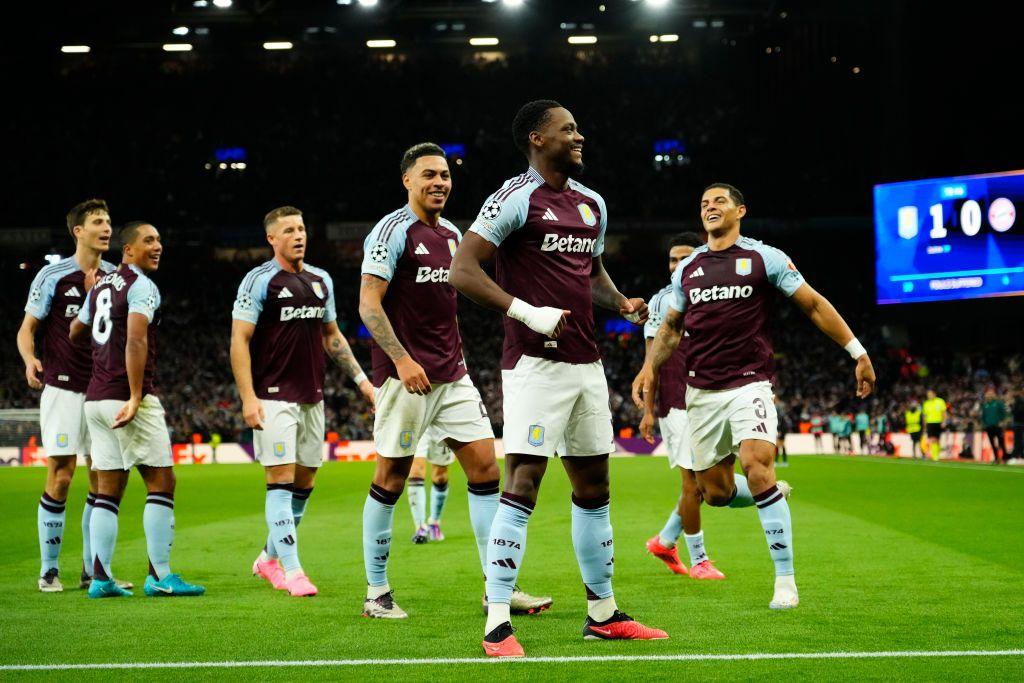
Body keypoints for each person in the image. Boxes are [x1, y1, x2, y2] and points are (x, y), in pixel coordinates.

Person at [450, 101, 667, 657]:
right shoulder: (513, 197)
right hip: (533, 364)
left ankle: (602, 613)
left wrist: (620, 301)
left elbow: (588, 270)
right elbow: (463, 270)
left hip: (586, 363)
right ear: (537, 137)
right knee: (522, 482)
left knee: (594, 488)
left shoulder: (592, 204)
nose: (579, 135)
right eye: (568, 129)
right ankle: (496, 622)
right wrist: (524, 311)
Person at [637, 182, 875, 611]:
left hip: (750, 383)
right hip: (701, 393)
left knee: (756, 464)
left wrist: (856, 351)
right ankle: (768, 492)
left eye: (719, 202)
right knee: (715, 492)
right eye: (704, 203)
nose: (710, 207)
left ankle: (785, 580)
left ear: (740, 210)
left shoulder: (764, 257)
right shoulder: (687, 270)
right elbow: (671, 329)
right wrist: (649, 369)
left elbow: (815, 305)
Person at [359, 142, 551, 620]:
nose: (439, 182)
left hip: (453, 374)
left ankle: (497, 588)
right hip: (404, 377)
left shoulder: (451, 234)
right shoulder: (390, 231)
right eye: (429, 175)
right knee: (392, 477)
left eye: (445, 175)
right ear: (407, 180)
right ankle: (376, 592)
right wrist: (402, 360)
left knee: (487, 468)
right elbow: (368, 304)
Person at [231, 206, 375, 598]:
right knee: (279, 480)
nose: (298, 235)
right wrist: (248, 398)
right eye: (289, 230)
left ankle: (268, 558)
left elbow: (332, 337)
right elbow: (239, 340)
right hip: (273, 396)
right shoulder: (258, 280)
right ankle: (293, 571)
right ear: (271, 239)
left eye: (302, 228)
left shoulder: (320, 280)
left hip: (312, 396)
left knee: (305, 480)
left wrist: (363, 382)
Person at [70, 222, 204, 598]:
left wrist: (93, 298)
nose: (158, 246)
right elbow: (136, 338)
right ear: (127, 250)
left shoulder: (99, 286)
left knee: (107, 490)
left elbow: (75, 333)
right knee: (162, 482)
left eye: (160, 239)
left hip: (95, 398)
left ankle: (100, 578)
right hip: (128, 396)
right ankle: (160, 576)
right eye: (148, 240)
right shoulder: (140, 285)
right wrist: (133, 395)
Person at [17, 199, 121, 592]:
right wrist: (29, 359)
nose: (106, 227)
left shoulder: (117, 276)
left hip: (101, 391)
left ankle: (92, 570)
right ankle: (48, 570)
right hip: (61, 388)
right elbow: (27, 330)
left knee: (101, 480)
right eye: (98, 221)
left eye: (109, 221)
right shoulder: (52, 276)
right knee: (61, 477)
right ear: (78, 231)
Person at [632, 232, 741, 580]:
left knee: (712, 485)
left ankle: (665, 541)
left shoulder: (716, 297)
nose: (676, 266)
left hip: (713, 401)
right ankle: (700, 561)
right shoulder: (662, 302)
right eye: (671, 260)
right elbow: (652, 361)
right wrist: (649, 410)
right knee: (693, 484)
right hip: (677, 404)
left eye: (683, 258)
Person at [405, 428, 452, 543]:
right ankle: (420, 527)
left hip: (440, 423)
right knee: (416, 470)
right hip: (417, 421)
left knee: (440, 477)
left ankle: (434, 522)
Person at [980, 389, 1008, 464]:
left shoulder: (998, 403)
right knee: (992, 443)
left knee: (1001, 442)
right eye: (987, 394)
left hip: (997, 426)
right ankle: (996, 459)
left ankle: (1005, 458)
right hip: (989, 427)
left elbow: (1004, 413)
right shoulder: (985, 405)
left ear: (994, 395)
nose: (989, 395)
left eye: (991, 394)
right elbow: (983, 416)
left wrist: (1002, 422)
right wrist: (984, 424)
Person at [922, 390, 947, 461]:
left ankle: (936, 454)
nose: (929, 396)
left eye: (930, 394)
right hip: (930, 423)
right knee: (932, 439)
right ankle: (935, 456)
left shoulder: (940, 401)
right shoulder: (926, 403)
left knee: (937, 439)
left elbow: (944, 412)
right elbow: (924, 416)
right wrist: (924, 425)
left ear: (934, 394)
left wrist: (944, 422)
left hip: (938, 422)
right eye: (928, 395)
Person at [775, 396, 789, 467]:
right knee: (779, 446)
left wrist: (780, 430)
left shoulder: (779, 409)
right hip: (781, 430)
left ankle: (783, 461)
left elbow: (781, 422)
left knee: (780, 446)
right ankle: (783, 461)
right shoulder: (779, 408)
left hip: (782, 430)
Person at [1011, 390, 1024, 462]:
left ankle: (1016, 457)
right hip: (1019, 423)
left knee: (1019, 441)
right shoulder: (1018, 401)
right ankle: (1019, 456)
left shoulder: (1019, 401)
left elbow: (1016, 412)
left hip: (1019, 423)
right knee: (1019, 441)